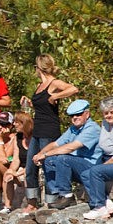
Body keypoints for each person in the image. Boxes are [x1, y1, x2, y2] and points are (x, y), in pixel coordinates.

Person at [19, 54, 79, 211]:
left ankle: (52, 201)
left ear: (39, 67)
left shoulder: (54, 83)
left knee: (48, 165)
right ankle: (32, 202)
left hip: (49, 130)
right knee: (31, 166)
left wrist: (56, 96)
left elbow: (73, 89)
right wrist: (30, 103)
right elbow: (43, 106)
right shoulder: (40, 86)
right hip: (37, 130)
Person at [31, 99, 102, 209]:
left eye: (78, 114)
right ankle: (58, 195)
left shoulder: (92, 128)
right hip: (77, 165)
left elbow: (70, 147)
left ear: (87, 114)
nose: (75, 117)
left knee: (63, 159)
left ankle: (66, 195)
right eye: (72, 115)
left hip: (91, 167)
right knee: (49, 160)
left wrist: (45, 154)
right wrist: (40, 154)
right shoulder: (73, 129)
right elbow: (55, 144)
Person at [6, 112, 33, 212]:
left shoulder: (35, 138)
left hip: (34, 166)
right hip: (21, 166)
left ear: (24, 123)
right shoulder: (18, 137)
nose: (14, 125)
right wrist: (11, 170)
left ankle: (31, 204)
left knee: (28, 175)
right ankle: (7, 206)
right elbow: (16, 158)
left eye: (17, 122)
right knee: (8, 175)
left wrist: (21, 172)